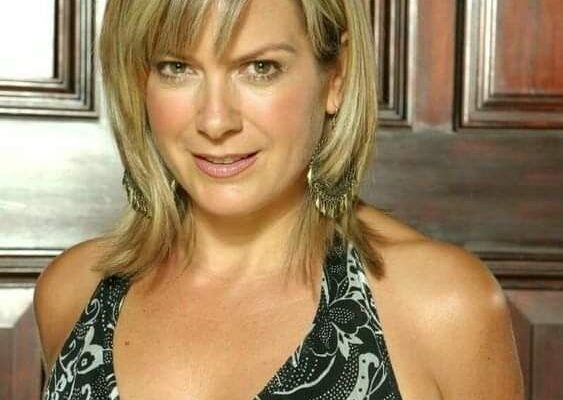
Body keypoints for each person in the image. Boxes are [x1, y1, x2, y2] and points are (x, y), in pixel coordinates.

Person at [34, 0, 524, 399]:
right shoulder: (73, 293)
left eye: (260, 68)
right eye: (177, 67)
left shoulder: (439, 305)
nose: (215, 121)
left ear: (336, 76)